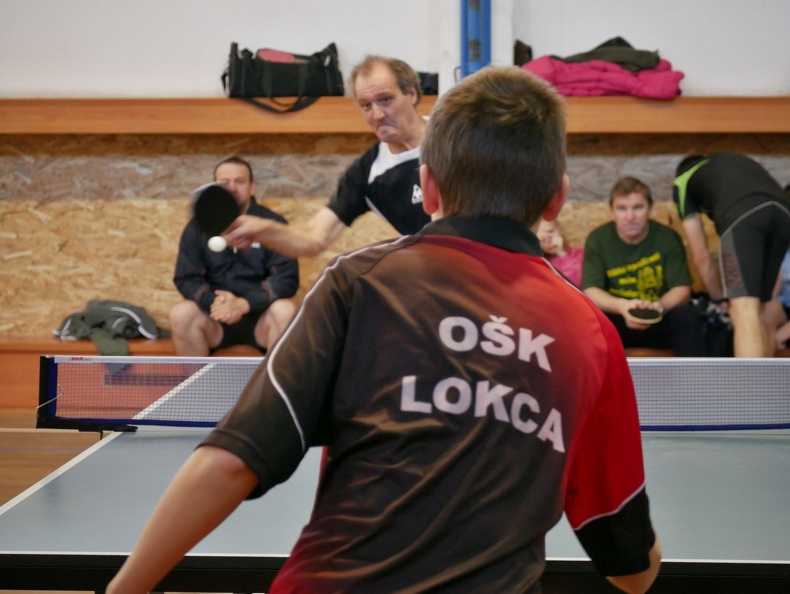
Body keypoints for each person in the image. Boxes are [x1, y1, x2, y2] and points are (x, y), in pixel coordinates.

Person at [107, 67, 660, 594]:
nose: (375, 112)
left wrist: (124, 588)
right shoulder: (590, 330)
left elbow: (232, 460)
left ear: (429, 188)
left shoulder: (358, 281)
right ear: (557, 197)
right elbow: (629, 567)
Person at [223, 55, 430, 258]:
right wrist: (263, 229)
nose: (377, 115)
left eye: (385, 100)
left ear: (411, 94)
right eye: (366, 106)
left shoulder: (449, 136)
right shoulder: (366, 174)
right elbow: (315, 238)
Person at [168, 156, 299, 356]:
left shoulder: (272, 224)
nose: (232, 188)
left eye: (239, 181)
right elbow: (186, 278)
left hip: (261, 318)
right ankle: (198, 378)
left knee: (286, 310)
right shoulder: (197, 227)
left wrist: (245, 304)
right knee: (181, 314)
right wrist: (215, 303)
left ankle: (274, 378)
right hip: (215, 317)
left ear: (252, 187)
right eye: (224, 183)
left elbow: (286, 279)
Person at [673, 152, 790, 357]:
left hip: (743, 215)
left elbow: (701, 255)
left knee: (743, 309)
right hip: (783, 213)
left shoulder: (682, 180)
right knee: (759, 310)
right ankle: (765, 378)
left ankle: (748, 379)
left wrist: (719, 299)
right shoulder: (727, 162)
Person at [582, 176, 706, 357]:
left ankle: (694, 375)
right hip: (619, 320)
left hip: (659, 318)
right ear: (612, 211)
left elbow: (682, 289)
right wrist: (622, 306)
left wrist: (660, 306)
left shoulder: (668, 237)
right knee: (587, 317)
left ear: (650, 209)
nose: (630, 217)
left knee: (687, 316)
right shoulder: (598, 239)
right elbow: (591, 290)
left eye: (637, 207)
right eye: (622, 208)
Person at [537, 217, 584, 286]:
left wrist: (561, 253)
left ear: (560, 231)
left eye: (550, 231)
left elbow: (578, 281)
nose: (548, 240)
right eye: (541, 238)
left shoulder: (579, 254)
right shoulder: (540, 262)